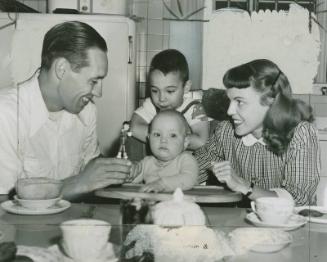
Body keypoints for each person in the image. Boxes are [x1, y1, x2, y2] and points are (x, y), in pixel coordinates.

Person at [0, 21, 131, 201]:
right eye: (93, 81)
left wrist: (112, 172)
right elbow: (3, 207)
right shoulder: (6, 114)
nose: (98, 93)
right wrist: (77, 184)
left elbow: (89, 168)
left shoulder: (87, 112)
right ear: (61, 69)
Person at [195, 59, 320, 206]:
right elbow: (195, 171)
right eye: (230, 101)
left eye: (239, 102)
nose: (229, 111)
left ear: (270, 102)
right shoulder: (225, 131)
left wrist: (244, 186)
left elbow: (299, 199)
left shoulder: (300, 133)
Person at [130, 49, 210, 151]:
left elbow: (202, 142)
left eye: (170, 91)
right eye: (155, 90)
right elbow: (134, 128)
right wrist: (165, 138)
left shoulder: (194, 108)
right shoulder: (152, 105)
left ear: (186, 87)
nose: (161, 98)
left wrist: (165, 138)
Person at [129, 110, 198, 193]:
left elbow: (189, 179)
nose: (163, 140)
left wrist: (162, 184)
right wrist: (130, 172)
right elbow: (131, 181)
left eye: (173, 135)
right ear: (149, 138)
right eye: (157, 134)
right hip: (153, 204)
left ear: (185, 142)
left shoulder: (186, 159)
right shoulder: (147, 163)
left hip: (182, 203)